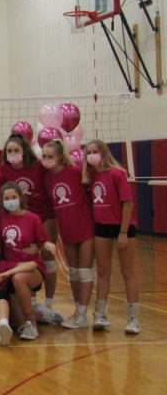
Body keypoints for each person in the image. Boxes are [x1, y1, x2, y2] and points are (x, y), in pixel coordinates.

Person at [1, 134, 61, 324]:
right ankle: (33, 303)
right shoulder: (4, 169)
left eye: (16, 150)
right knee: (24, 255)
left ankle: (49, 304)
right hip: (19, 218)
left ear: (24, 151)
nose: (13, 154)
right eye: (9, 151)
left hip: (43, 215)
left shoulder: (38, 166)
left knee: (48, 260)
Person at [82, 139, 139, 333]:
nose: (91, 155)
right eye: (88, 152)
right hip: (102, 228)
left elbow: (128, 203)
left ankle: (132, 319)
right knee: (103, 272)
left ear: (103, 152)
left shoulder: (117, 174)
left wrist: (123, 232)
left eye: (94, 151)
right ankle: (100, 315)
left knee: (128, 272)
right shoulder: (89, 176)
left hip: (123, 227)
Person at [41, 139, 95, 329]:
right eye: (44, 156)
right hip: (66, 230)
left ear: (60, 157)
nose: (46, 160)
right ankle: (77, 311)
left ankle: (83, 314)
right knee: (73, 272)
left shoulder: (75, 172)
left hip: (85, 227)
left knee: (84, 271)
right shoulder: (47, 179)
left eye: (50, 157)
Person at [0, 181, 53, 341]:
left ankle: (32, 321)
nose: (10, 200)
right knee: (16, 322)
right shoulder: (1, 218)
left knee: (18, 278)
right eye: (7, 198)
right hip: (11, 266)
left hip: (31, 268)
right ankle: (41, 315)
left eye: (13, 197)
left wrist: (44, 245)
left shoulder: (33, 218)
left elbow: (42, 240)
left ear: (20, 198)